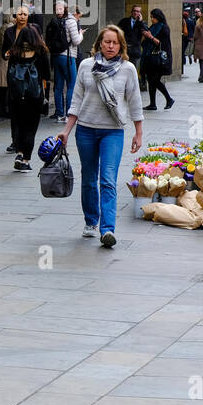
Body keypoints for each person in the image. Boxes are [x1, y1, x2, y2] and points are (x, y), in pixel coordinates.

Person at [55, 25, 144, 249]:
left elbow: (134, 101)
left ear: (121, 45)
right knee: (88, 178)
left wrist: (138, 132)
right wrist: (66, 130)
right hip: (85, 130)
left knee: (107, 179)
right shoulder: (86, 66)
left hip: (112, 132)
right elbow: (76, 101)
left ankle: (107, 230)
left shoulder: (127, 69)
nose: (111, 46)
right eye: (107, 42)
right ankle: (90, 221)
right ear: (99, 43)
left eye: (115, 43)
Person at [2, 6, 51, 172]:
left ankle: (19, 151)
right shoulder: (41, 52)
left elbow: (9, 71)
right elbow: (46, 73)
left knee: (19, 124)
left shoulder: (14, 52)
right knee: (31, 127)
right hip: (34, 95)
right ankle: (25, 159)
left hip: (16, 94)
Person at [46, 1, 81, 122]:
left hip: (56, 56)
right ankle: (69, 115)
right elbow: (76, 41)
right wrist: (81, 34)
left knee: (58, 86)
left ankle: (59, 114)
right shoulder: (71, 22)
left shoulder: (54, 21)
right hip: (68, 57)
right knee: (71, 85)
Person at [139, 8, 175, 111]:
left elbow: (161, 43)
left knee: (155, 80)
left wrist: (149, 37)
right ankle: (153, 104)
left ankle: (169, 99)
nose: (152, 19)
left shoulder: (164, 28)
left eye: (153, 17)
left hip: (159, 59)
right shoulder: (154, 26)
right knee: (151, 80)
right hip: (151, 58)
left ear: (158, 17)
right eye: (151, 17)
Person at [0, 10, 14, 122]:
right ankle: (6, 109)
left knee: (2, 87)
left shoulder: (2, 27)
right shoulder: (10, 28)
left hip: (1, 58)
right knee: (7, 86)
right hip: (7, 59)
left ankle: (3, 109)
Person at [120, 5, 146, 92]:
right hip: (125, 50)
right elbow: (117, 30)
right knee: (123, 69)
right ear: (131, 12)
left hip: (135, 51)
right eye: (135, 11)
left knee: (132, 70)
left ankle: (132, 88)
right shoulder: (124, 21)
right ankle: (124, 87)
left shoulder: (141, 23)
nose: (136, 13)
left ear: (140, 13)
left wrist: (141, 21)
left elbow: (146, 31)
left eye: (138, 11)